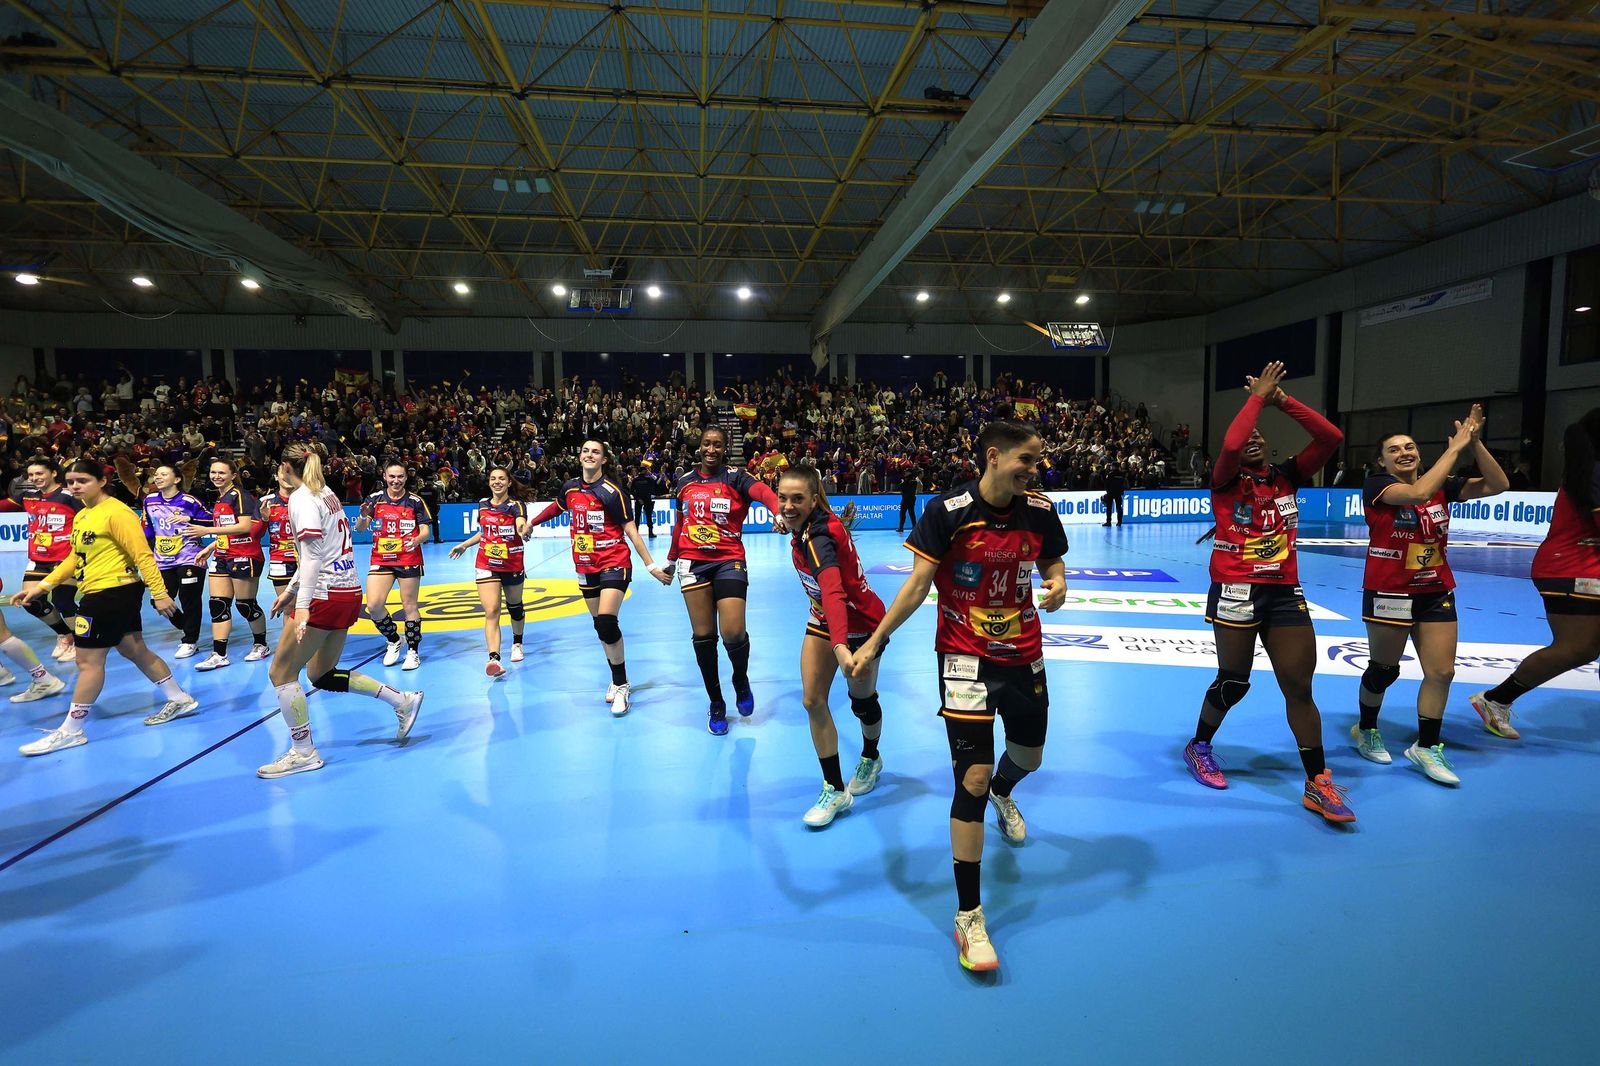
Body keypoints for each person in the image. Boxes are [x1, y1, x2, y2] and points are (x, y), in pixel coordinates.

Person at [845, 420, 1069, 972]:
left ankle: (1003, 791)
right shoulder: (948, 512)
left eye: (1037, 460)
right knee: (970, 777)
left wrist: (1058, 581)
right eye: (1026, 459)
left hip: (1024, 654)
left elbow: (1051, 559)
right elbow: (917, 585)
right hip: (963, 658)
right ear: (994, 456)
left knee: (1030, 756)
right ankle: (969, 915)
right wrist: (875, 642)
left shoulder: (1040, 511)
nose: (1034, 469)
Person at [1184, 361, 1354, 823]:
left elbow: (1331, 438)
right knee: (1234, 680)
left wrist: (1283, 401)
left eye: (1259, 433)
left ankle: (1317, 782)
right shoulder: (1225, 479)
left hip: (1283, 592)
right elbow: (1231, 444)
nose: (1252, 438)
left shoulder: (1287, 476)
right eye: (1248, 434)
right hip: (1235, 589)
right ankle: (1199, 745)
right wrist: (1256, 397)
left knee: (1299, 686)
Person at [1353, 407, 1508, 785]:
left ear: (1419, 453)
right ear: (1381, 460)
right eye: (1394, 449)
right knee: (1384, 670)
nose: (1404, 452)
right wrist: (1454, 449)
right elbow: (1418, 492)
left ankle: (1426, 746)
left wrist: (1474, 444)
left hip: (1435, 590)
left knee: (1442, 671)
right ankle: (1367, 728)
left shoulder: (1444, 485)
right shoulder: (1377, 485)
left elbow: (1498, 484)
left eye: (1409, 447)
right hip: (1390, 591)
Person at [258, 444, 423, 779]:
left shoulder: (302, 499)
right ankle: (401, 700)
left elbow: (313, 557)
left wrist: (301, 605)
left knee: (281, 673)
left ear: (285, 468)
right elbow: (323, 551)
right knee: (321, 674)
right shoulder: (326, 493)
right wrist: (290, 590)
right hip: (347, 591)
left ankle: (303, 752)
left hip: (323, 594)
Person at [12, 461, 198, 754]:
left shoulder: (117, 513)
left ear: (101, 481)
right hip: (104, 592)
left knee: (87, 663)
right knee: (134, 649)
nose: (75, 486)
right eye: (71, 481)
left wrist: (160, 592)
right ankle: (179, 698)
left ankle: (71, 730)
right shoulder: (83, 514)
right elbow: (75, 557)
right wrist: (42, 586)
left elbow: (143, 555)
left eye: (82, 480)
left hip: (109, 594)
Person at [1469, 409, 1600, 737]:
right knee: (1577, 648)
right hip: (1573, 569)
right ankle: (1495, 700)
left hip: (1578, 566)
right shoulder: (1594, 471)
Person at [778, 466, 887, 828]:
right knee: (812, 700)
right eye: (783, 498)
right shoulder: (807, 525)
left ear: (814, 500)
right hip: (822, 618)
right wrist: (785, 520)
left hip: (860, 626)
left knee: (862, 702)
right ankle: (835, 789)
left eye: (797, 499)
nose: (788, 505)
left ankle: (871, 756)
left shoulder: (818, 538)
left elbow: (833, 592)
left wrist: (840, 645)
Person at [529, 441, 670, 716]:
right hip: (585, 565)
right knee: (600, 628)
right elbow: (556, 508)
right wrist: (531, 523)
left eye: (595, 452)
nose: (589, 455)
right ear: (580, 456)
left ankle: (621, 685)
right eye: (585, 451)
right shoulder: (570, 488)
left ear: (604, 459)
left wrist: (650, 565)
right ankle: (617, 679)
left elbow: (631, 530)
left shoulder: (613, 492)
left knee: (606, 620)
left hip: (614, 561)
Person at [667, 426, 783, 735]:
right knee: (704, 637)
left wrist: (777, 512)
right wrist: (670, 560)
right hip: (692, 562)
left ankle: (740, 679)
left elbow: (764, 493)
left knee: (732, 632)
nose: (711, 449)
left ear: (725, 448)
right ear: (699, 446)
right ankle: (716, 702)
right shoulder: (684, 482)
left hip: (728, 559)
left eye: (717, 444)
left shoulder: (736, 477)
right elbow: (680, 525)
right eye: (707, 443)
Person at [179, 458, 269, 670]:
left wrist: (206, 531)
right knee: (218, 604)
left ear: (233, 475)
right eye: (213, 472)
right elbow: (228, 530)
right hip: (222, 555)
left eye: (221, 473)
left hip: (245, 555)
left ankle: (261, 644)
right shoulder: (220, 498)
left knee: (245, 605)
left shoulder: (240, 496)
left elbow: (244, 527)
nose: (216, 476)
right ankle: (219, 654)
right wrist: (211, 547)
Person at [448, 467, 530, 677]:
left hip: (512, 563)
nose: (497, 482)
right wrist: (465, 545)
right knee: (492, 610)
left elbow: (520, 523)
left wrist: (523, 530)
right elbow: (484, 532)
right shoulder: (483, 504)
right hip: (486, 563)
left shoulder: (515, 505)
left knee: (515, 607)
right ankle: (494, 658)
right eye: (493, 478)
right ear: (489, 482)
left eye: (501, 478)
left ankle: (517, 642)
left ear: (509, 482)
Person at [356, 462, 433, 671]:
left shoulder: (415, 501)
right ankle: (394, 639)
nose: (396, 480)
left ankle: (413, 652)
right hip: (381, 559)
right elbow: (360, 529)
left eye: (400, 476)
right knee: (373, 605)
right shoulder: (374, 499)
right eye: (392, 476)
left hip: (408, 558)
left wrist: (417, 540)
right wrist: (363, 516)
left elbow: (425, 531)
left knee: (409, 605)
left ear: (406, 477)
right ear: (384, 476)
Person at [140, 463, 212, 659]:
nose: (158, 477)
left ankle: (190, 640)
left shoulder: (189, 501)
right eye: (156, 474)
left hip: (190, 556)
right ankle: (186, 625)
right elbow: (148, 527)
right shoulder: (150, 500)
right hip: (162, 559)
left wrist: (190, 519)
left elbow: (212, 520)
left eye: (163, 474)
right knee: (158, 600)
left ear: (177, 479)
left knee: (189, 599)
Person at [20, 456, 83, 662]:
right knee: (29, 601)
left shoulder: (68, 496)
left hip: (66, 558)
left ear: (54, 473)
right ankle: (65, 634)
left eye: (39, 473)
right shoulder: (28, 497)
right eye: (31, 475)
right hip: (38, 559)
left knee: (62, 601)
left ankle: (81, 643)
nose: (34, 478)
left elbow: (90, 517)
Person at [628, 465, 661, 538]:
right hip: (646, 499)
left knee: (638, 517)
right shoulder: (648, 479)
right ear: (644, 471)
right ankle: (650, 533)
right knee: (648, 517)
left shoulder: (635, 480)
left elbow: (632, 491)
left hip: (640, 500)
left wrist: (637, 498)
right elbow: (655, 484)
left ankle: (636, 533)